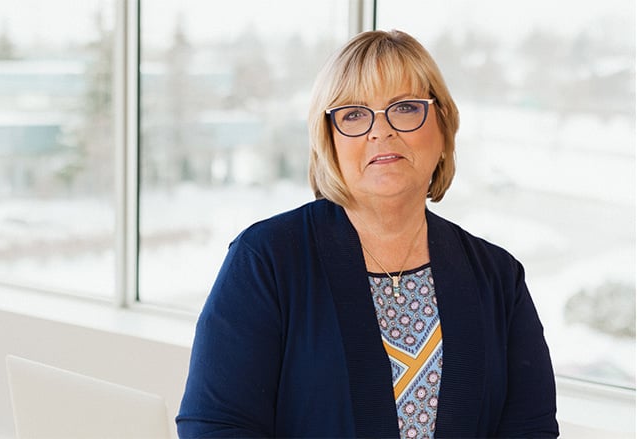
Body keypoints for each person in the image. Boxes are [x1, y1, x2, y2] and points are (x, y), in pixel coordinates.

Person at [176, 29, 558, 438]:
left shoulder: (498, 277)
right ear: (330, 140)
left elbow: (530, 429)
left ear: (444, 127)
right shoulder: (266, 260)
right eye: (354, 114)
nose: (381, 131)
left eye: (406, 108)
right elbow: (216, 428)